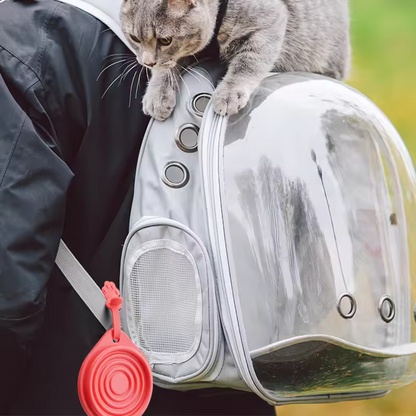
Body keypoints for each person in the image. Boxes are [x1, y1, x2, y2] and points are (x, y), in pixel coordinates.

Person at [0, 0, 274, 414]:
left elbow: (7, 286)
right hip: (236, 382)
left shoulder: (28, 38)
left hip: (88, 391)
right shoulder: (251, 23)